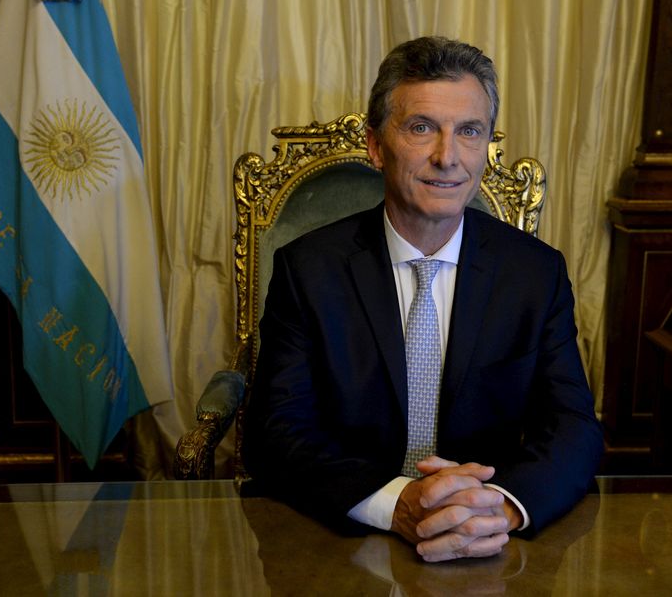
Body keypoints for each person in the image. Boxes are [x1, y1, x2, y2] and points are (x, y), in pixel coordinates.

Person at [242, 36, 604, 563]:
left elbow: (573, 426)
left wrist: (500, 506)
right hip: (345, 539)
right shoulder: (309, 269)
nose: (447, 157)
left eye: (469, 132)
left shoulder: (535, 273)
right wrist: (396, 503)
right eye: (421, 128)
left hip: (490, 544)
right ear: (374, 145)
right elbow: (275, 432)